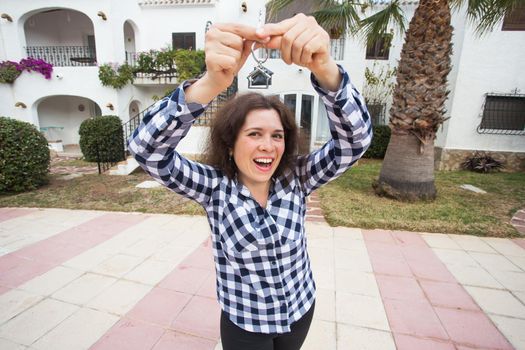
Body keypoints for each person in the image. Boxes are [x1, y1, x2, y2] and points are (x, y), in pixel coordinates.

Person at [128, 14, 372, 350]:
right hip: (246, 322)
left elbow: (355, 142)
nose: (267, 146)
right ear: (230, 143)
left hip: (300, 309)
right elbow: (146, 151)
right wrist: (211, 84)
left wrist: (325, 67)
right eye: (254, 134)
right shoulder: (214, 188)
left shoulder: (297, 178)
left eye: (277, 135)